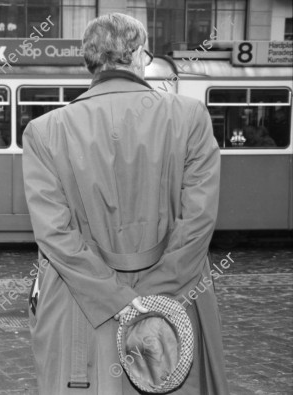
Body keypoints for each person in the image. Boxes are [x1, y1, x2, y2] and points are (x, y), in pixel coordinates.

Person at [22, 13, 229, 395]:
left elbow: (54, 235)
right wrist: (154, 296)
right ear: (136, 56)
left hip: (83, 306)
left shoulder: (43, 131)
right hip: (175, 301)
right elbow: (198, 222)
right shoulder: (190, 116)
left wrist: (120, 300)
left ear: (91, 62)